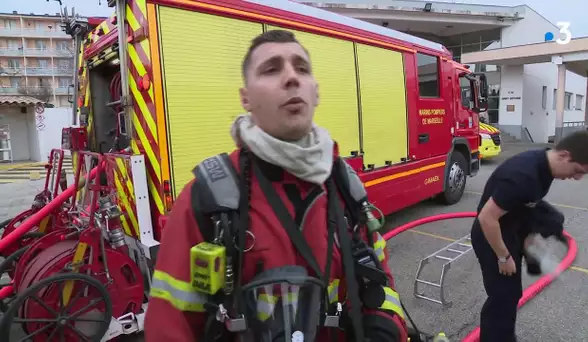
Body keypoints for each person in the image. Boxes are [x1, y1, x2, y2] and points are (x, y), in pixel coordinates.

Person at [144, 29, 411, 342]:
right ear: (246, 99)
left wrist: (385, 325)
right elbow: (169, 325)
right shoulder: (207, 199)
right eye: (271, 69)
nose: (291, 78)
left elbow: (379, 283)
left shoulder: (346, 187)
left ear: (315, 92)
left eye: (302, 68)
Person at [470, 130, 588, 342]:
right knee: (505, 297)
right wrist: (503, 257)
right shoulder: (523, 176)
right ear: (564, 155)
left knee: (554, 219)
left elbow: (526, 204)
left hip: (514, 222)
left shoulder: (545, 166)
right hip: (493, 234)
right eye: (578, 170)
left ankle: (530, 252)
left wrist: (530, 234)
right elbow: (487, 219)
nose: (578, 177)